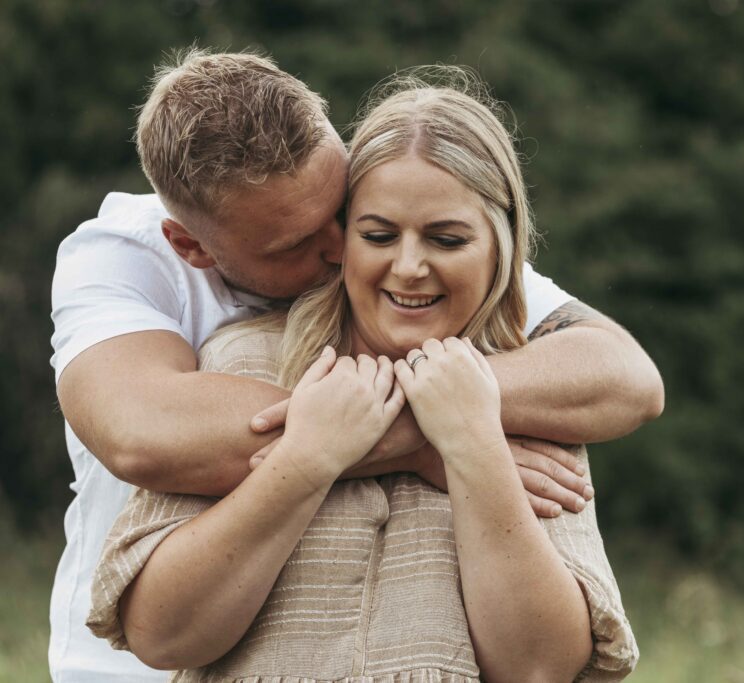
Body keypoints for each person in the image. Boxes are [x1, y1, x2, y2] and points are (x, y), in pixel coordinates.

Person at [50, 50, 663, 682]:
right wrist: (400, 433)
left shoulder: (430, 258)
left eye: (340, 212)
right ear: (193, 245)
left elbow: (628, 377)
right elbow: (141, 432)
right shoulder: (134, 265)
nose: (344, 252)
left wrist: (462, 421)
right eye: (301, 241)